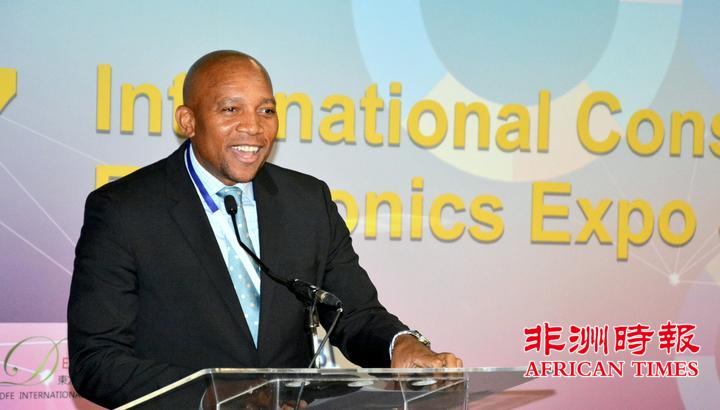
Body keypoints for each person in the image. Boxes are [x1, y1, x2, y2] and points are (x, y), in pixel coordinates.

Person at [67, 50, 462, 408]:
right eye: (230, 109)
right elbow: (97, 361)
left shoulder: (308, 201)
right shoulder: (124, 210)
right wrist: (219, 396)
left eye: (266, 110)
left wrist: (400, 344)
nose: (253, 127)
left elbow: (354, 312)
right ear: (188, 121)